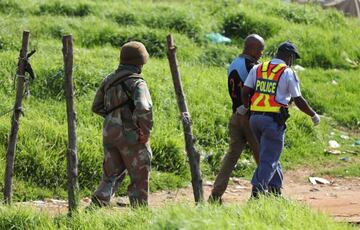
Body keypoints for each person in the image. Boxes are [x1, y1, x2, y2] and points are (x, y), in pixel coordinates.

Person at [240, 41, 320, 197]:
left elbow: (245, 91)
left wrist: (245, 106)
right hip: (273, 121)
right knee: (269, 158)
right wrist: (313, 115)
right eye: (293, 58)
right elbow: (298, 99)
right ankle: (257, 191)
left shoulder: (258, 68)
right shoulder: (287, 72)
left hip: (255, 119)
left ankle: (276, 192)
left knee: (270, 154)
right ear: (289, 56)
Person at [91, 41, 153, 207]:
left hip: (109, 132)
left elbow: (96, 107)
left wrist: (113, 117)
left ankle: (97, 204)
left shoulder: (109, 80)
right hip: (130, 134)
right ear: (140, 62)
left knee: (111, 174)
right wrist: (145, 131)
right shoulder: (138, 82)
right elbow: (144, 107)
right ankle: (139, 212)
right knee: (139, 174)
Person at [208, 34, 263, 203]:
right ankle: (262, 194)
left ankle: (215, 195)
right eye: (260, 50)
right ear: (252, 48)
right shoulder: (251, 66)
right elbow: (252, 91)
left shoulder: (233, 63)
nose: (261, 53)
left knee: (231, 157)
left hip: (235, 115)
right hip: (249, 116)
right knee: (262, 156)